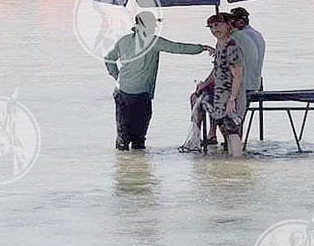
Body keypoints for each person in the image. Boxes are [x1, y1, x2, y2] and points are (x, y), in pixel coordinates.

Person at [105, 11, 213, 151]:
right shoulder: (153, 41)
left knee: (122, 137)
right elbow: (177, 48)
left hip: (121, 92)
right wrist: (202, 48)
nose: (155, 27)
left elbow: (109, 59)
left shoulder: (123, 40)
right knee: (139, 138)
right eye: (153, 25)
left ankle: (125, 167)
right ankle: (139, 168)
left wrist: (117, 76)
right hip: (140, 94)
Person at [205, 13, 245, 157]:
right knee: (224, 128)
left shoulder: (232, 46)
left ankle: (238, 162)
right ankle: (231, 164)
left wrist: (232, 99)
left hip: (231, 93)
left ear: (228, 25)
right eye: (212, 26)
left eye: (219, 24)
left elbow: (238, 76)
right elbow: (217, 71)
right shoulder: (220, 44)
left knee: (232, 129)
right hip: (220, 94)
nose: (215, 29)